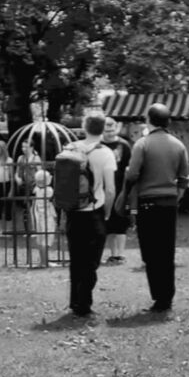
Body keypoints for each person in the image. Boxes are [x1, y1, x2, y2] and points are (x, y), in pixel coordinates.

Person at [122, 102, 189, 314]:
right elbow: (184, 178)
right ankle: (166, 298)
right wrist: (176, 197)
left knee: (151, 254)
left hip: (148, 203)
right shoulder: (178, 145)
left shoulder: (142, 144)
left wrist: (127, 189)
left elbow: (132, 174)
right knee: (167, 252)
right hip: (169, 203)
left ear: (148, 120)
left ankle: (158, 298)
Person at [60, 113, 116, 317]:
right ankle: (84, 304)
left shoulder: (70, 149)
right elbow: (110, 190)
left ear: (84, 126)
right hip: (94, 211)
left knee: (76, 259)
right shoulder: (105, 153)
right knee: (91, 262)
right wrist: (107, 213)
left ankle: (75, 301)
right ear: (103, 129)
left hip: (73, 211)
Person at [101, 118, 134, 265]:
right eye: (106, 131)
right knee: (108, 223)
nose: (109, 133)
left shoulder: (124, 145)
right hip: (103, 189)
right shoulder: (99, 145)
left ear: (117, 128)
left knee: (121, 223)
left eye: (111, 130)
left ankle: (120, 254)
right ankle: (113, 254)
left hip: (121, 189)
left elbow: (130, 167)